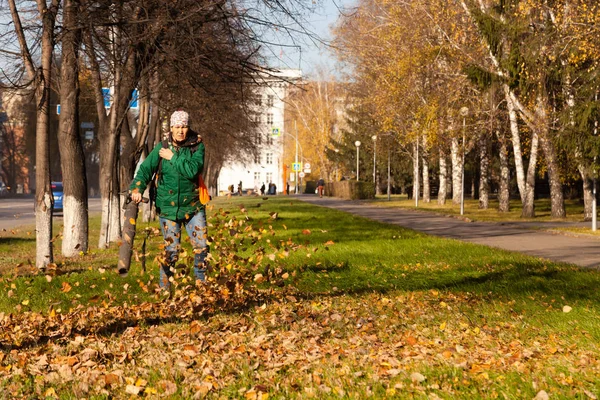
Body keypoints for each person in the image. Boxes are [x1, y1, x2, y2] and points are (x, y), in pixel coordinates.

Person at [130, 110, 208, 289]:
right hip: (168, 209)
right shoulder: (162, 147)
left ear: (189, 127)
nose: (181, 131)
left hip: (193, 207)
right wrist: (137, 188)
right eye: (177, 127)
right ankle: (164, 289)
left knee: (201, 247)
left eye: (184, 126)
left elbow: (192, 171)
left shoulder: (197, 146)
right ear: (171, 128)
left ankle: (202, 288)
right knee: (171, 252)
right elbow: (145, 170)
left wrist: (172, 157)